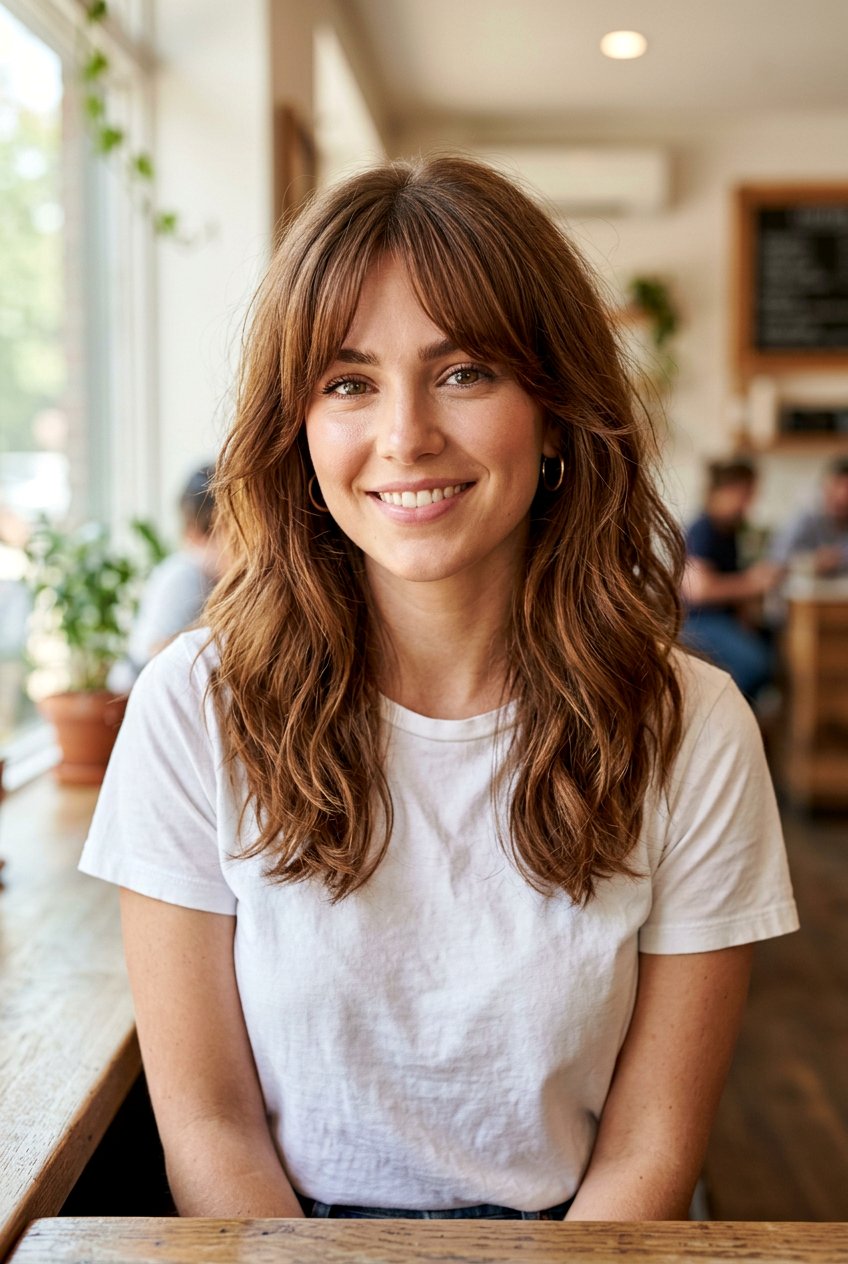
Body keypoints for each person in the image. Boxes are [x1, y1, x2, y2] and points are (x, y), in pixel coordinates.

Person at [79, 156, 798, 1222]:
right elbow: (211, 1128)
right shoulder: (194, 706)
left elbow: (649, 1151)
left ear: (555, 410)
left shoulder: (690, 725)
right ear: (297, 428)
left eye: (464, 372)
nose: (406, 436)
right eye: (348, 382)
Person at [108, 464, 223, 690]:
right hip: (137, 687)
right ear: (195, 534)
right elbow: (158, 653)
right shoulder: (186, 576)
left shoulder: (196, 572)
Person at [681, 459, 783, 701]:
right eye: (745, 494)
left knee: (778, 645)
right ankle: (730, 708)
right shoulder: (703, 530)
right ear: (725, 491)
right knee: (755, 664)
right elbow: (699, 590)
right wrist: (752, 583)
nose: (749, 503)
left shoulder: (729, 530)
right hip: (699, 621)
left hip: (723, 617)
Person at [770, 455, 848, 577]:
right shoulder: (806, 518)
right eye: (837, 485)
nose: (842, 496)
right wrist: (810, 562)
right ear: (824, 487)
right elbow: (777, 558)